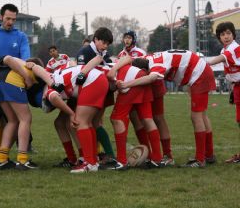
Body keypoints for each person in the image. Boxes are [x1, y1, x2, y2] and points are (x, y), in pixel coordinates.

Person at [117, 50, 216, 168]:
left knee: (196, 116)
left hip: (199, 74)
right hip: (198, 71)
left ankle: (200, 159)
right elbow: (127, 58)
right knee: (201, 115)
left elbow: (151, 78)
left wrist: (127, 84)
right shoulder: (144, 60)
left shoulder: (155, 65)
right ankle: (208, 155)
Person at [0, 3, 33, 163]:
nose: (10, 22)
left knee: (6, 120)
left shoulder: (21, 36)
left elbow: (25, 59)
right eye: (8, 18)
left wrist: (27, 68)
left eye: (13, 19)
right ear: (1, 17)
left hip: (13, 81)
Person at [106, 57, 163, 170]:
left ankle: (121, 161)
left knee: (116, 118)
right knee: (147, 119)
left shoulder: (118, 65)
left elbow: (127, 58)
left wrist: (115, 71)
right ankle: (156, 158)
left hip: (131, 78)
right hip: (141, 78)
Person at [76, 27, 115, 163]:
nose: (105, 46)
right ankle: (98, 154)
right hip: (88, 90)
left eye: (107, 44)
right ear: (95, 39)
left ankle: (102, 155)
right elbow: (80, 72)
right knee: (93, 122)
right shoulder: (84, 52)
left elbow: (109, 67)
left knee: (94, 122)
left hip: (101, 90)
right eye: (103, 43)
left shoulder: (103, 52)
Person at [207, 21, 240, 163]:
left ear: (233, 34)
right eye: (222, 34)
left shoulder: (233, 48)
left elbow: (222, 58)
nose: (226, 36)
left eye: (228, 33)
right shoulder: (225, 50)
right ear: (219, 37)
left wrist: (204, 62)